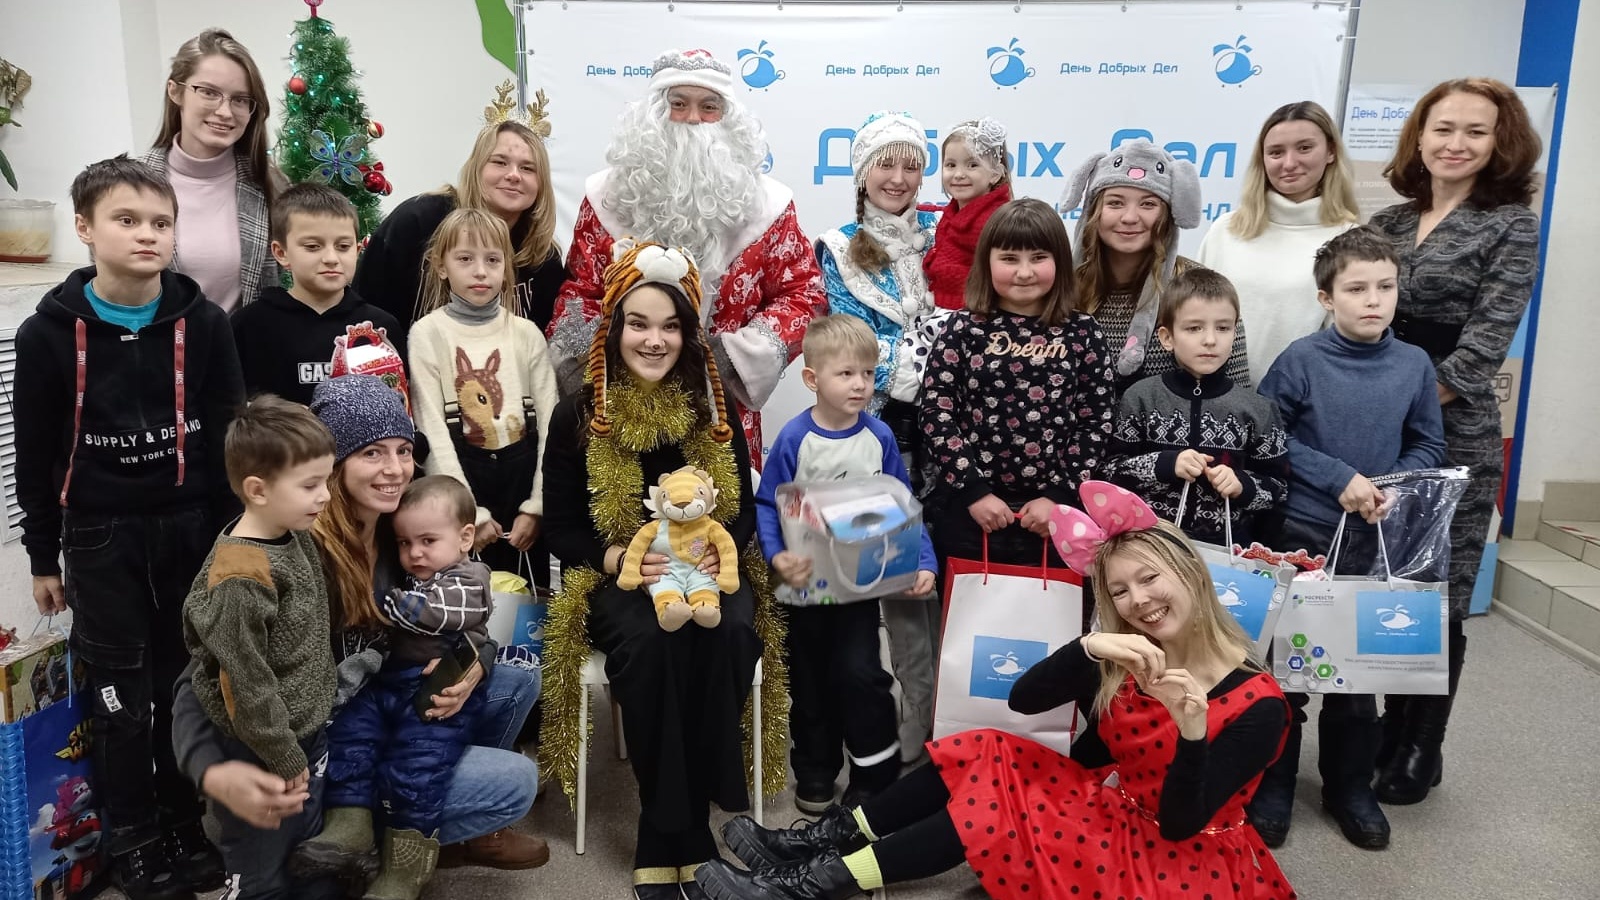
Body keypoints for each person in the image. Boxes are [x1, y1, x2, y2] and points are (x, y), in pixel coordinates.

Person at [696, 482, 1295, 900]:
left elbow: (1180, 823)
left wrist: (1191, 732)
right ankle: (825, 842)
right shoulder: (1131, 653)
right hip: (1119, 810)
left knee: (997, 803)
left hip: (1176, 860)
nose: (1138, 601)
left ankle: (813, 884)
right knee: (986, 748)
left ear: (1188, 572)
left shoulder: (1259, 703)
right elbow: (1026, 702)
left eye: (1149, 579)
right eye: (1119, 591)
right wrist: (1090, 646)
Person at [171, 375, 548, 900]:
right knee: (513, 781)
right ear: (334, 462)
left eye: (403, 450)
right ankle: (368, 828)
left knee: (517, 677)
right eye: (372, 452)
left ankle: (426, 824)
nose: (395, 469)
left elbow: (460, 610)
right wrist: (212, 773)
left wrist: (476, 660)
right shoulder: (294, 543)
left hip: (382, 701)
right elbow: (203, 678)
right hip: (322, 742)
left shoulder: (404, 532)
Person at [15, 156, 245, 900]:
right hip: (100, 537)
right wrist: (42, 557)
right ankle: (134, 839)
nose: (148, 235)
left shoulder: (204, 323)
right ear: (85, 228)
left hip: (190, 531)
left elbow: (229, 438)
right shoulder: (46, 335)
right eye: (127, 220)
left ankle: (182, 822)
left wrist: (235, 539)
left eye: (161, 223)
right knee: (120, 697)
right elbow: (35, 454)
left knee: (183, 686)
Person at [539, 241, 777, 899]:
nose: (654, 340)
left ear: (688, 334)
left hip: (706, 569)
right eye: (639, 324)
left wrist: (719, 550)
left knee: (729, 632)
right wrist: (619, 557)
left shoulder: (712, 407)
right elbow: (562, 528)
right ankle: (675, 828)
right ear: (614, 329)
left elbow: (743, 510)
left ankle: (681, 818)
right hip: (619, 574)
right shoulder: (578, 413)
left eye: (670, 326)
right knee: (649, 643)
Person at [1367, 77, 1541, 808]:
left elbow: (1484, 344)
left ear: (1501, 143)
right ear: (1420, 135)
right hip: (1378, 418)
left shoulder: (1512, 225)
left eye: (1476, 130)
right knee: (1387, 578)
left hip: (1455, 424)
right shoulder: (1387, 221)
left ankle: (1420, 743)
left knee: (1442, 584)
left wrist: (1407, 401)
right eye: (1443, 128)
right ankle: (1386, 725)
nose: (1456, 143)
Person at [1254, 226, 1448, 850]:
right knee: (1289, 672)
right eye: (1356, 288)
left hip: (1375, 543)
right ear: (1326, 297)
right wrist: (1338, 477)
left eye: (1385, 287)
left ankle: (1349, 788)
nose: (1373, 300)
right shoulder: (1300, 360)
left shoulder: (1414, 364)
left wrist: (1391, 485)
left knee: (1356, 680)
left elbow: (1429, 442)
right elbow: (1270, 437)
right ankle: (1275, 783)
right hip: (1302, 536)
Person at [545, 48, 826, 462]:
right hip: (621, 406)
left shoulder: (768, 207)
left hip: (722, 409)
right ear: (655, 113)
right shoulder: (607, 199)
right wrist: (607, 362)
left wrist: (732, 357)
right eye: (679, 104)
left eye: (709, 106)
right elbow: (581, 292)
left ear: (727, 118)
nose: (693, 118)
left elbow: (803, 293)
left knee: (720, 502)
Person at [755, 315, 938, 814]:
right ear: (811, 378)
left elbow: (903, 504)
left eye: (867, 373)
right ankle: (815, 771)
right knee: (810, 681)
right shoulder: (795, 438)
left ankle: (873, 775)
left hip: (860, 589)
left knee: (861, 675)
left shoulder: (879, 437)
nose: (860, 384)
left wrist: (922, 559)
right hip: (805, 591)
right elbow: (769, 504)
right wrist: (777, 556)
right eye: (846, 374)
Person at [295, 475, 494, 900]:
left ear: (465, 538)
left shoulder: (469, 577)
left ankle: (405, 871)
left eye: (427, 541)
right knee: (350, 733)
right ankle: (350, 823)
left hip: (434, 691)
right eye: (405, 543)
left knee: (417, 768)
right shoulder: (411, 569)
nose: (414, 553)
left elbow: (443, 613)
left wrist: (388, 601)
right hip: (386, 682)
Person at [812, 111, 940, 763]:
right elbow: (853, 346)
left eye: (910, 164)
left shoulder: (946, 236)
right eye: (885, 164)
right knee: (896, 580)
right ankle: (914, 719)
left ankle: (951, 717)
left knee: (944, 573)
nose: (898, 177)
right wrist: (934, 362)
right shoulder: (838, 247)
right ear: (862, 173)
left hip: (952, 434)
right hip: (878, 434)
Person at [180, 397, 337, 900]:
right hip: (261, 750)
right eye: (310, 485)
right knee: (260, 871)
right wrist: (284, 756)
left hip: (304, 733)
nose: (325, 496)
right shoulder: (241, 577)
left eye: (327, 481)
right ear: (257, 490)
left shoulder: (291, 531)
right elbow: (244, 683)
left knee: (303, 853)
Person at [918, 198, 1115, 569]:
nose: (1024, 272)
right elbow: (936, 414)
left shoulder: (1084, 332)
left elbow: (1097, 421)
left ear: (1060, 261)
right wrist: (974, 491)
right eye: (1009, 258)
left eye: (1038, 258)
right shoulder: (962, 329)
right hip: (969, 512)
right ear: (987, 262)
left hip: (1056, 518)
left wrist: (1058, 496)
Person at [407, 207, 558, 574]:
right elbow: (432, 430)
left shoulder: (526, 334)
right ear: (441, 266)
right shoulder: (428, 335)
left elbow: (550, 427)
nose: (480, 271)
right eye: (465, 259)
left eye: (492, 260)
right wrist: (467, 512)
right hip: (460, 497)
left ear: (506, 267)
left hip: (523, 497)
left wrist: (537, 507)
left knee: (528, 598)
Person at [1107, 268, 1290, 547]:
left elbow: (1280, 490)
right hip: (1149, 545)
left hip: (1225, 553)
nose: (1210, 340)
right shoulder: (1141, 397)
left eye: (1223, 328)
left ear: (1235, 332)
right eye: (1194, 328)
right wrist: (1165, 464)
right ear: (1167, 338)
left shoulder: (1258, 409)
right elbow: (1110, 472)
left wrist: (1242, 484)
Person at [353, 107, 567, 331]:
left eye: (527, 168)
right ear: (477, 168)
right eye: (500, 162)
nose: (514, 175)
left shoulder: (542, 257)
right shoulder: (416, 223)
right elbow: (365, 310)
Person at [1062, 139, 1250, 393]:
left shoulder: (1198, 289)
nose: (1130, 217)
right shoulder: (1062, 287)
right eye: (1115, 203)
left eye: (1148, 204)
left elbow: (1237, 397)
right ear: (1093, 212)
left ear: (1168, 214)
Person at [1197, 101, 1360, 384]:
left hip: (1298, 403)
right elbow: (1189, 317)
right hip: (1214, 398)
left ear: (1331, 151)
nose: (1289, 163)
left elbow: (1348, 345)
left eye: (1304, 148)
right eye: (1276, 152)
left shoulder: (1349, 241)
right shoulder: (1226, 230)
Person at [139, 28, 280, 311]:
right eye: (209, 92)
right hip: (157, 339)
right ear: (175, 91)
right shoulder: (129, 186)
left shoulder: (271, 185)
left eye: (240, 99)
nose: (225, 112)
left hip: (245, 340)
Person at [233, 183, 406, 407]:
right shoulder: (249, 325)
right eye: (313, 246)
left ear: (357, 251)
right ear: (281, 253)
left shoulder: (381, 327)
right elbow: (232, 405)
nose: (331, 258)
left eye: (343, 246)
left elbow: (400, 404)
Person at [920, 117, 1012, 312]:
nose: (959, 174)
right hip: (942, 308)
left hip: (972, 315)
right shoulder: (956, 210)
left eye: (972, 165)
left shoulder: (995, 222)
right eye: (951, 165)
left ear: (995, 174)